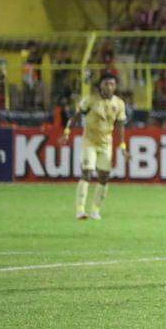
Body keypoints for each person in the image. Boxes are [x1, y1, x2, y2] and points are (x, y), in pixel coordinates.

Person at [60, 73, 130, 220]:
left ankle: (95, 210)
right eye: (106, 84)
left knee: (104, 178)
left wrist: (123, 146)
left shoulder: (119, 104)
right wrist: (67, 131)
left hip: (106, 144)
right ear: (101, 86)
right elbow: (76, 115)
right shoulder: (91, 99)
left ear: (115, 86)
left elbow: (120, 126)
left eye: (112, 84)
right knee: (87, 172)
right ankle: (80, 210)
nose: (109, 87)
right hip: (89, 142)